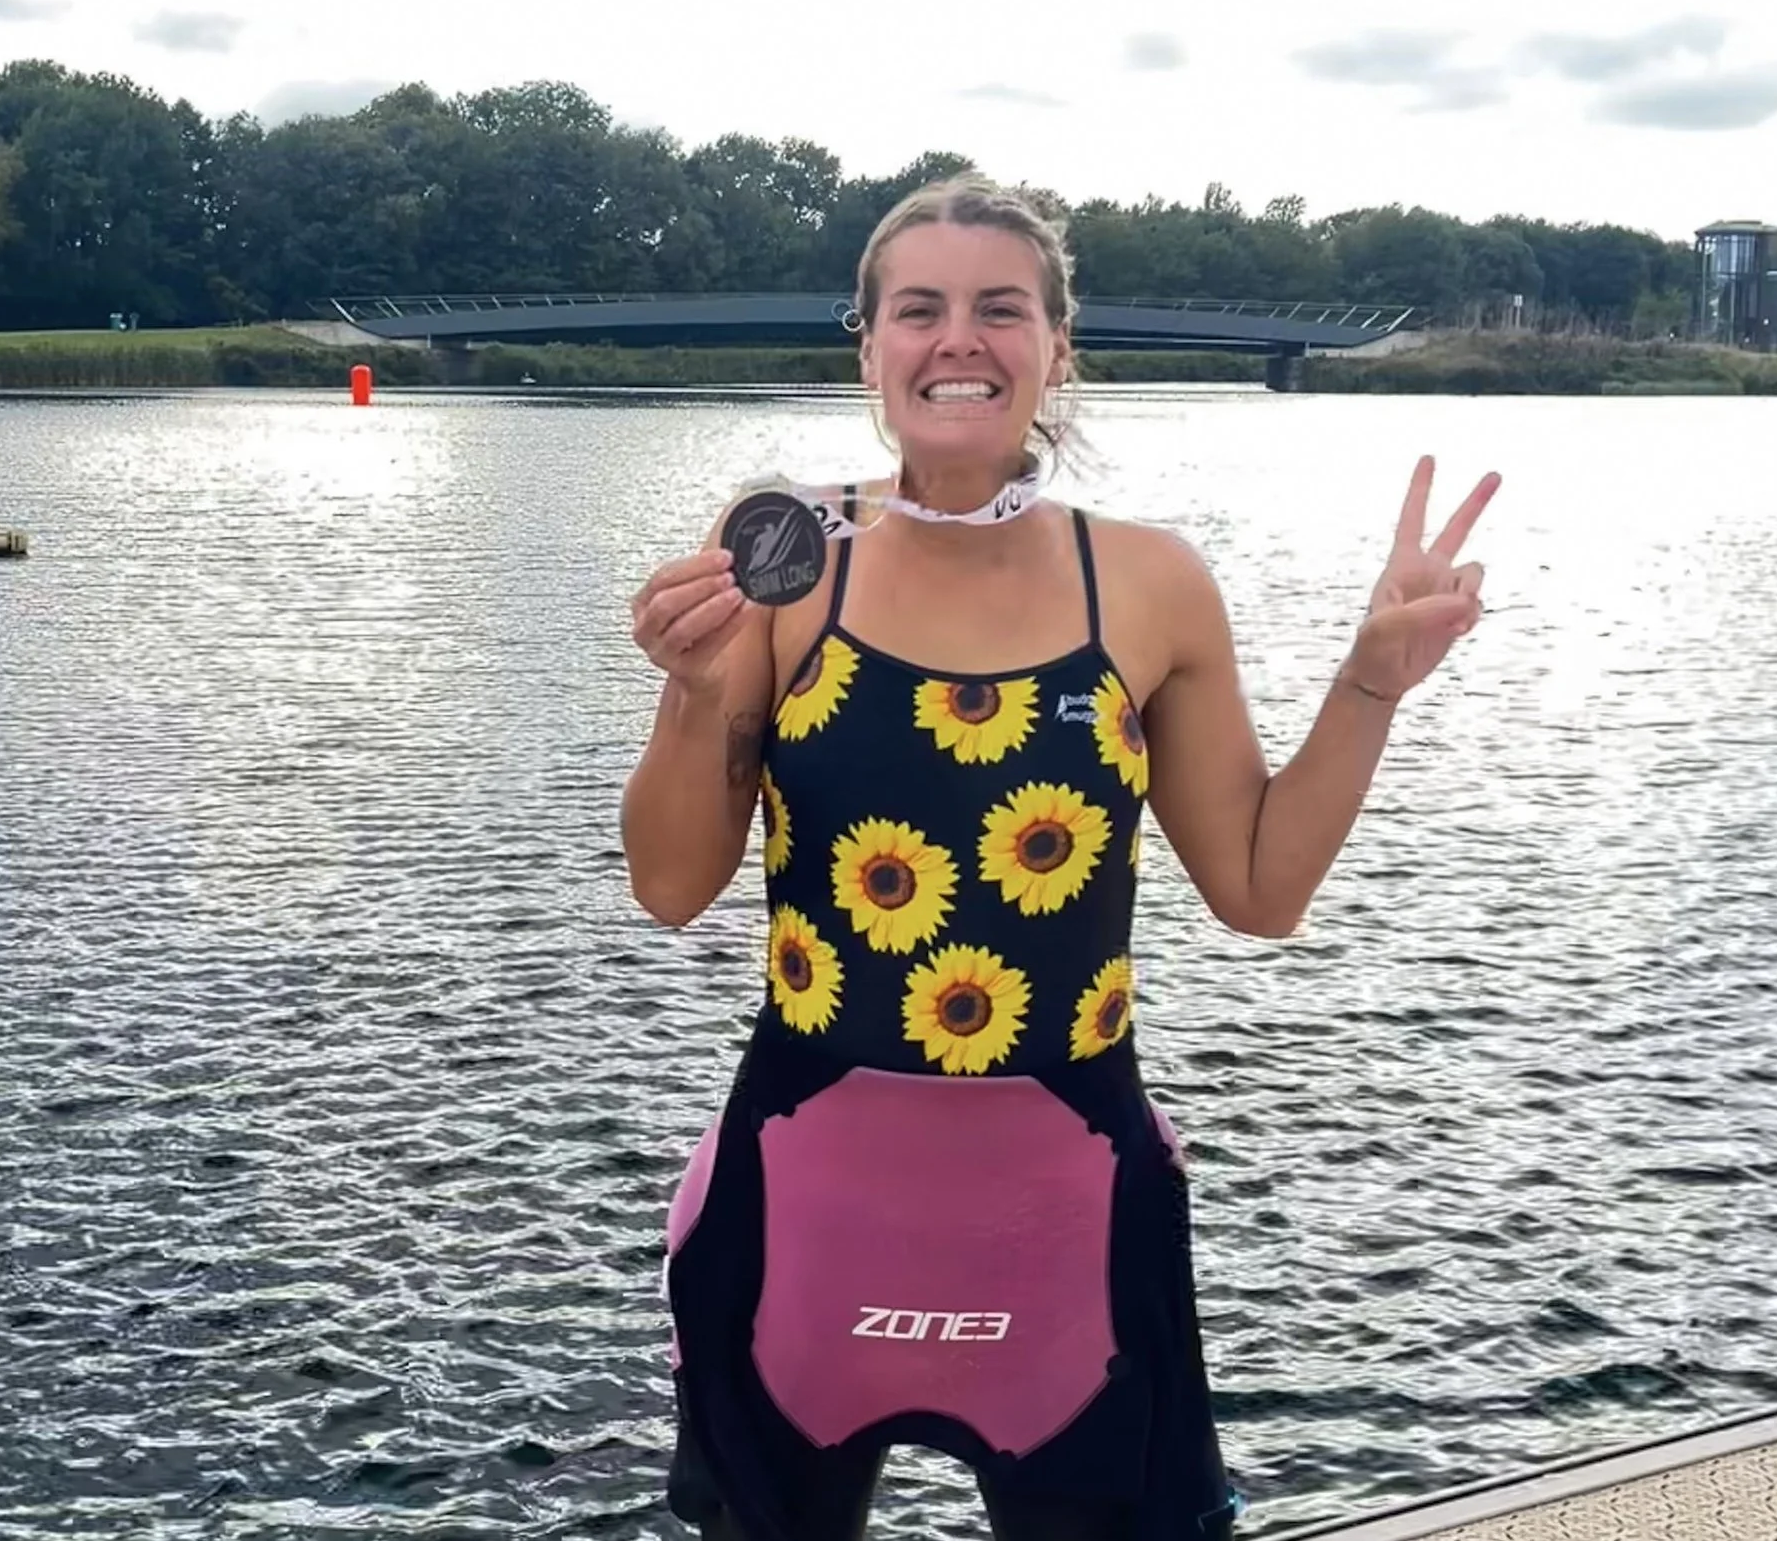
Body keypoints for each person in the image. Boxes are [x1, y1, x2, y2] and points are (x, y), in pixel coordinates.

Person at [620, 176, 1497, 1541]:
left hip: (1067, 1226)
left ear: (1057, 348)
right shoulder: (786, 564)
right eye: (919, 309)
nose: (957, 339)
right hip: (807, 1205)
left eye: (999, 309)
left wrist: (1371, 684)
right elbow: (672, 884)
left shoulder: (1147, 585)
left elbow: (1260, 893)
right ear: (869, 346)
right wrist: (687, 687)